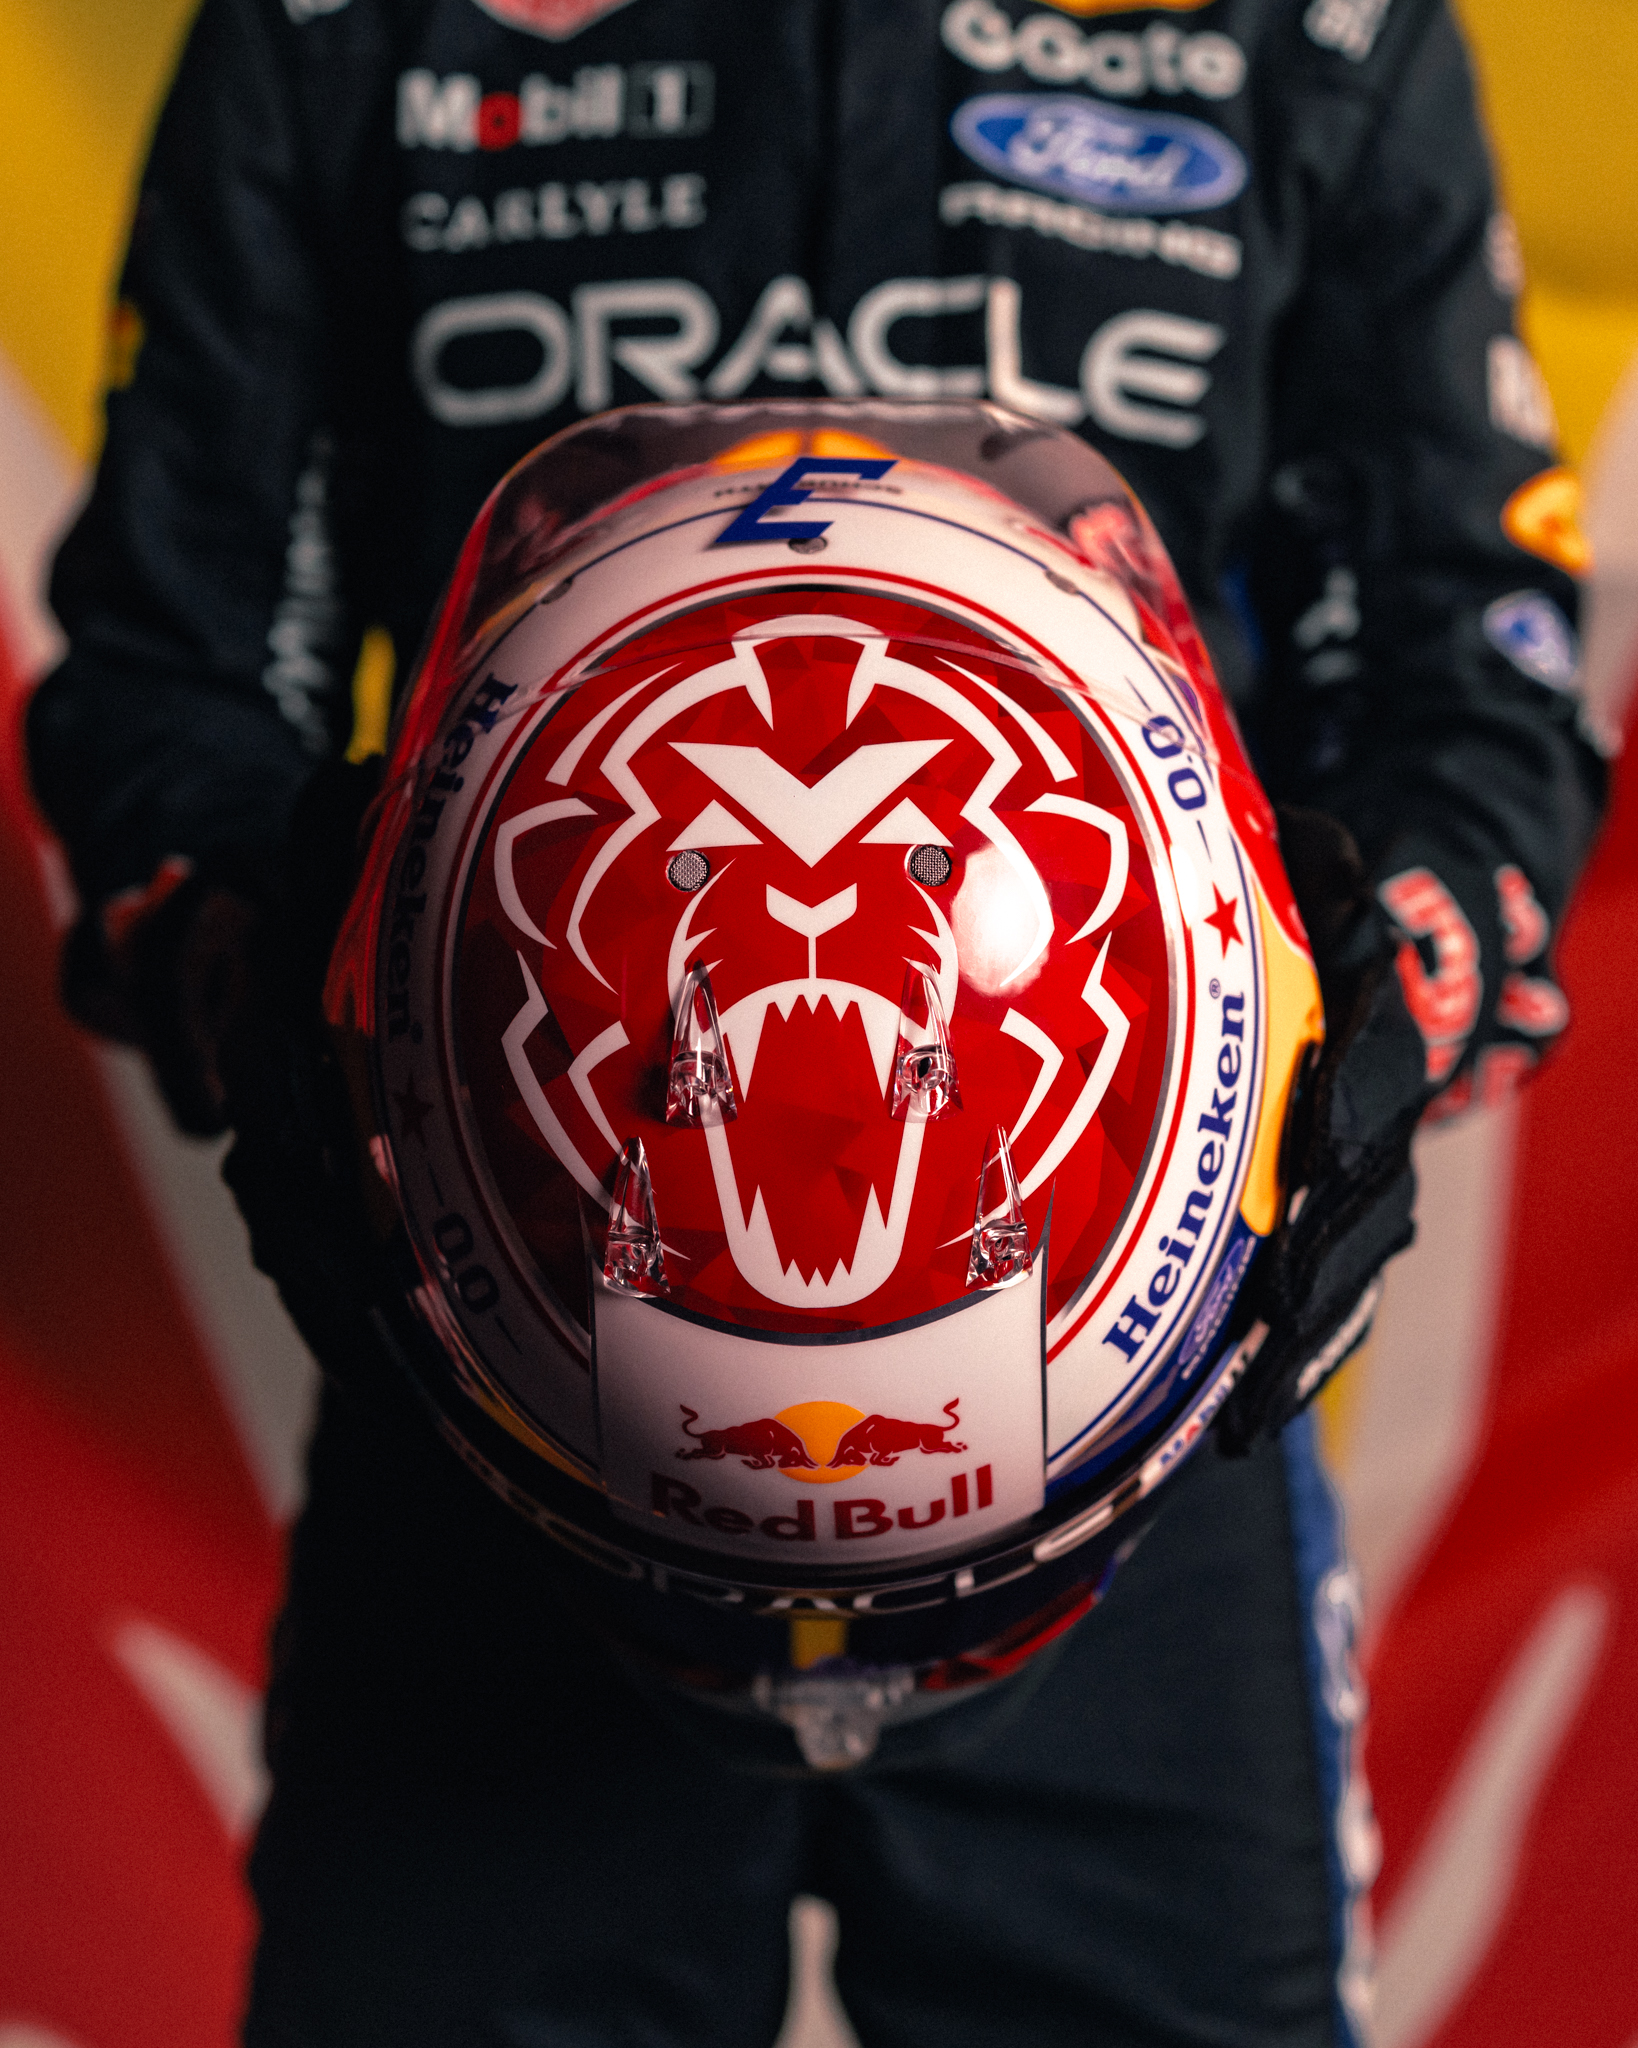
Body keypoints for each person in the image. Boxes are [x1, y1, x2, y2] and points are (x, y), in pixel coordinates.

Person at [25, 1, 1602, 2042]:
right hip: (495, 1344)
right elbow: (167, 680)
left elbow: (1470, 664)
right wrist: (273, 982)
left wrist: (1394, 987)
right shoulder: (335, 28)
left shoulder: (1320, 28)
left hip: (1143, 1357)